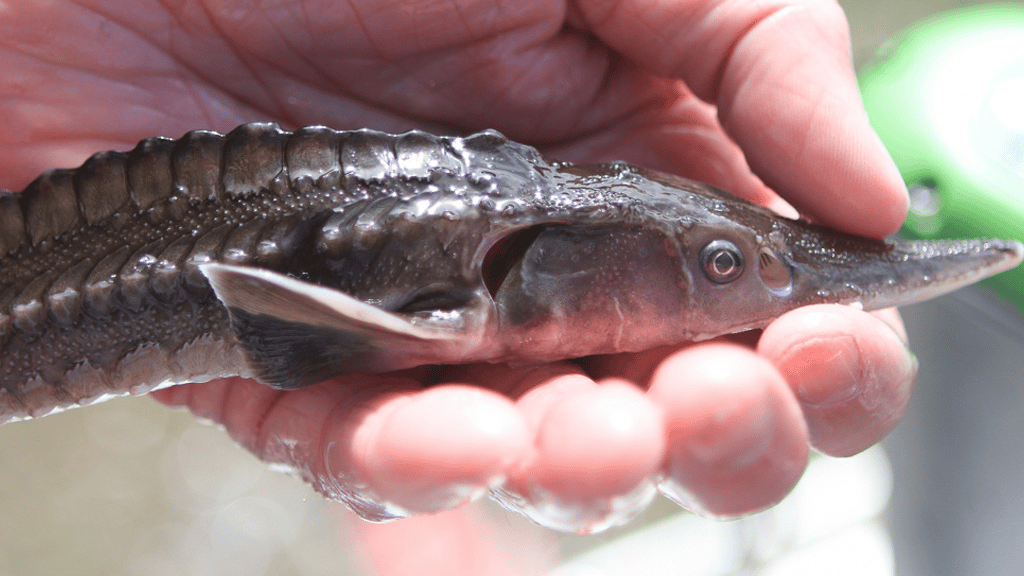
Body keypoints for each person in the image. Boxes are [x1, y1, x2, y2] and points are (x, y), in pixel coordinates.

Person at [0, 0, 915, 532]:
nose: (747, 280)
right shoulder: (460, 297)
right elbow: (275, 322)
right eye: (721, 265)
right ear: (523, 265)